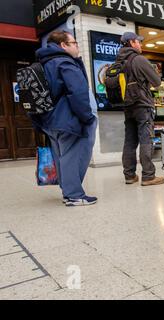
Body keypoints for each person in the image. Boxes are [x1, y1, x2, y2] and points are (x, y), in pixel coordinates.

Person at [34, 31, 97, 206]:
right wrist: (87, 118)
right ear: (63, 45)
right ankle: (75, 194)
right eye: (74, 43)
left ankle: (68, 192)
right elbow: (78, 93)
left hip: (50, 121)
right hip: (67, 120)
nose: (77, 45)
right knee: (73, 156)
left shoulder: (44, 64)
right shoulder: (65, 63)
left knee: (61, 156)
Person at [116, 32, 164, 186]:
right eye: (139, 42)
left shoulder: (118, 61)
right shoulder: (139, 59)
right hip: (142, 105)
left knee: (129, 141)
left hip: (127, 106)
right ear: (132, 42)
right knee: (146, 140)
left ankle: (129, 175)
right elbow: (157, 82)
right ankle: (148, 176)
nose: (141, 45)